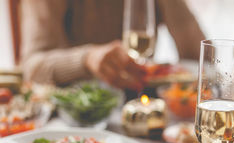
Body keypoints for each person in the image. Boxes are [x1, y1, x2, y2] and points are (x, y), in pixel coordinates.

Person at [20, 0, 205, 91]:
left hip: (142, 103)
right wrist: (87, 58)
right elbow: (32, 66)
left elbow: (202, 55)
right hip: (77, 113)